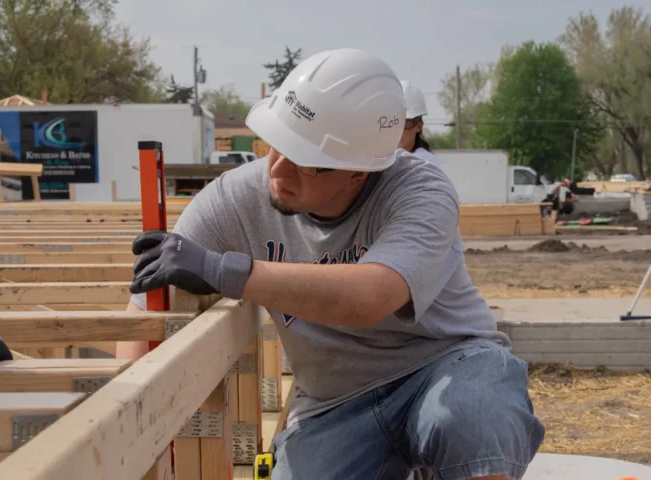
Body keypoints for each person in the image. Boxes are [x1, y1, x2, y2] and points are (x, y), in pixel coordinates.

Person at [119, 48, 545, 480]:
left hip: (443, 365)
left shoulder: (420, 190)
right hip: (335, 400)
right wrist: (129, 433)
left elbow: (371, 296)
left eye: (305, 162)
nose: (278, 171)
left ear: (358, 173)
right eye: (276, 147)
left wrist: (228, 271)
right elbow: (146, 311)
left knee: (472, 418)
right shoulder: (236, 198)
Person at [398, 80, 440, 167]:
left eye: (406, 122)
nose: (398, 129)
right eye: (393, 121)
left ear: (419, 126)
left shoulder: (424, 163)